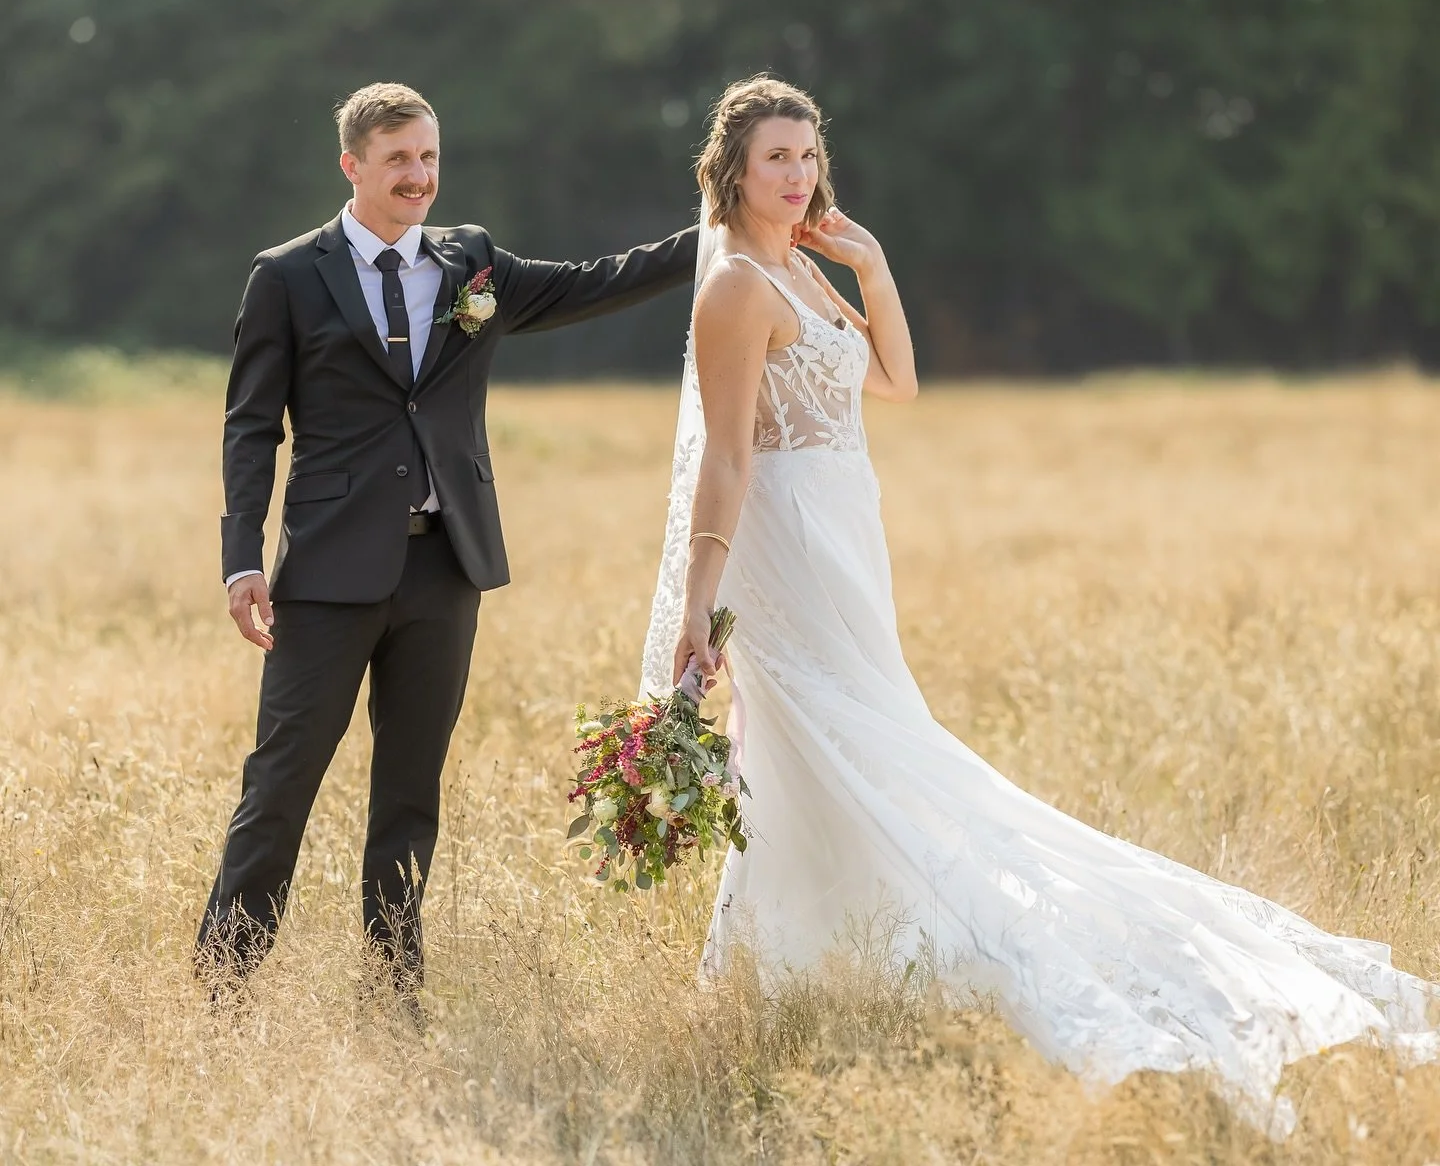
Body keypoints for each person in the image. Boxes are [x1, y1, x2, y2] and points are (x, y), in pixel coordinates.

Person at [640, 73, 1438, 1129]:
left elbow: (896, 382)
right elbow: (728, 457)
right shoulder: (737, 288)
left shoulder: (803, 269)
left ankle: (824, 963)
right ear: (733, 171)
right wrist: (697, 602)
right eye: (776, 158)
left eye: (808, 154)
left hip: (844, 534)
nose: (797, 175)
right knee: (840, 743)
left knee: (860, 739)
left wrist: (872, 265)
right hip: (783, 543)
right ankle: (800, 966)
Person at [198, 81, 697, 1000]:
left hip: (445, 568)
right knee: (280, 786)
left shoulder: (472, 262)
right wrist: (241, 559)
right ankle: (222, 988)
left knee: (410, 794)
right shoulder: (288, 275)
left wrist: (726, 232)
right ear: (351, 166)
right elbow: (250, 427)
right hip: (327, 574)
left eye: (429, 157)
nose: (419, 176)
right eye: (398, 159)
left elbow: (598, 280)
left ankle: (394, 993)